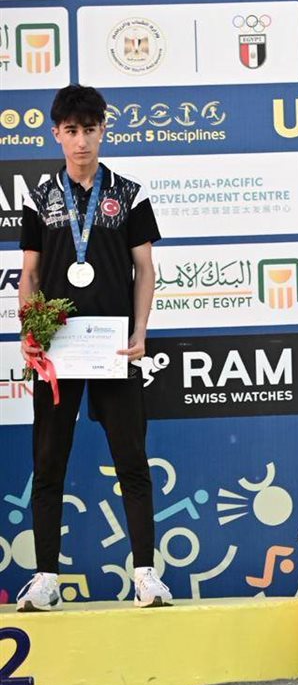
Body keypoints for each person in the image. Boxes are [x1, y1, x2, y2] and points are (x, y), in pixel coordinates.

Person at [16, 84, 171, 610]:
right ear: (56, 134)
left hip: (113, 349)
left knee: (132, 460)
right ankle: (46, 578)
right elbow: (30, 274)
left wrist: (140, 331)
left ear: (104, 130)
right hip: (58, 350)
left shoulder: (129, 194)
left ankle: (145, 575)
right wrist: (29, 332)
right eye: (71, 131)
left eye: (90, 129)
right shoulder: (40, 198)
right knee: (48, 464)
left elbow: (145, 269)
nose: (81, 140)